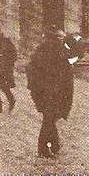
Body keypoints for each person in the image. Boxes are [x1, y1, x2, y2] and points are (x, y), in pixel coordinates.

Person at [26, 29, 75, 158]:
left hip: (48, 91)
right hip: (51, 92)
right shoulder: (53, 52)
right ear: (55, 39)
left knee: (50, 118)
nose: (62, 40)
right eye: (60, 38)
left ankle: (54, 144)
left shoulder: (45, 51)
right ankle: (43, 148)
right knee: (49, 118)